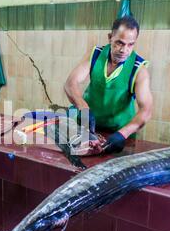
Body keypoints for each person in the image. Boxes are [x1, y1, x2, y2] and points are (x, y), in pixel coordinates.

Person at [64, 16, 153, 154]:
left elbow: (146, 110)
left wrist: (123, 134)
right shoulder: (96, 54)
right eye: (119, 43)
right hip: (87, 128)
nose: (124, 50)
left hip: (119, 135)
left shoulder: (139, 70)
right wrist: (83, 107)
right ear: (110, 37)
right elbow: (71, 83)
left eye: (130, 44)